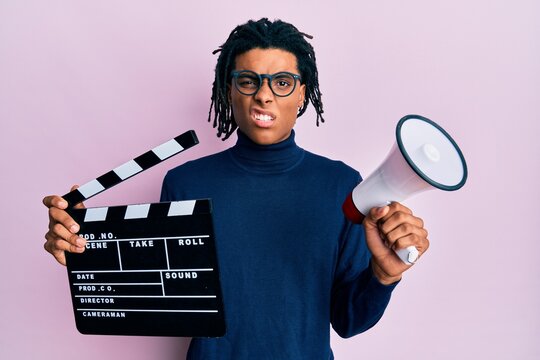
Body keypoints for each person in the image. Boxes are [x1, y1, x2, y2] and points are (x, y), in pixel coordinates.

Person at [43, 18, 429, 359]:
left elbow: (348, 321)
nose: (263, 95)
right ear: (229, 91)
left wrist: (384, 277)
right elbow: (167, 298)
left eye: (282, 82)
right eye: (248, 81)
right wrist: (88, 251)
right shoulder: (185, 183)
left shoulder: (343, 186)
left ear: (302, 94)